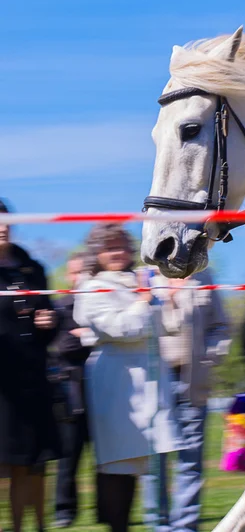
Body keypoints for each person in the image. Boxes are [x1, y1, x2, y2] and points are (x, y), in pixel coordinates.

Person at [73, 223, 180, 532]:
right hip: (118, 383)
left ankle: (163, 525)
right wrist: (145, 302)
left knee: (155, 464)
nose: (117, 252)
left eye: (121, 245)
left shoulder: (142, 280)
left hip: (151, 377)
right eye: (109, 247)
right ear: (97, 253)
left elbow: (169, 327)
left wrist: (167, 299)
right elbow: (121, 329)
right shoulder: (91, 287)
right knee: (119, 465)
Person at [142, 267, 231, 532]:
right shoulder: (144, 277)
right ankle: (159, 524)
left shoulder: (204, 277)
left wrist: (208, 357)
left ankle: (185, 526)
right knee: (155, 461)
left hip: (193, 381)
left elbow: (222, 327)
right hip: (154, 384)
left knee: (190, 460)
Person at [0, 199, 61, 532]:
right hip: (2, 389)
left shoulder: (32, 268)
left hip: (33, 381)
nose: (3, 226)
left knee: (36, 464)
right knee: (9, 465)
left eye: (7, 220)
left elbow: (50, 320)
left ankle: (37, 527)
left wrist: (48, 321)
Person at [52, 252, 91, 528]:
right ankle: (64, 510)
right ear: (69, 275)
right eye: (75, 272)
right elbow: (64, 347)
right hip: (71, 390)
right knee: (69, 456)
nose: (79, 278)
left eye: (84, 272)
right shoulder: (61, 307)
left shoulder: (100, 302)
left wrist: (86, 334)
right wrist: (94, 335)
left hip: (102, 386)